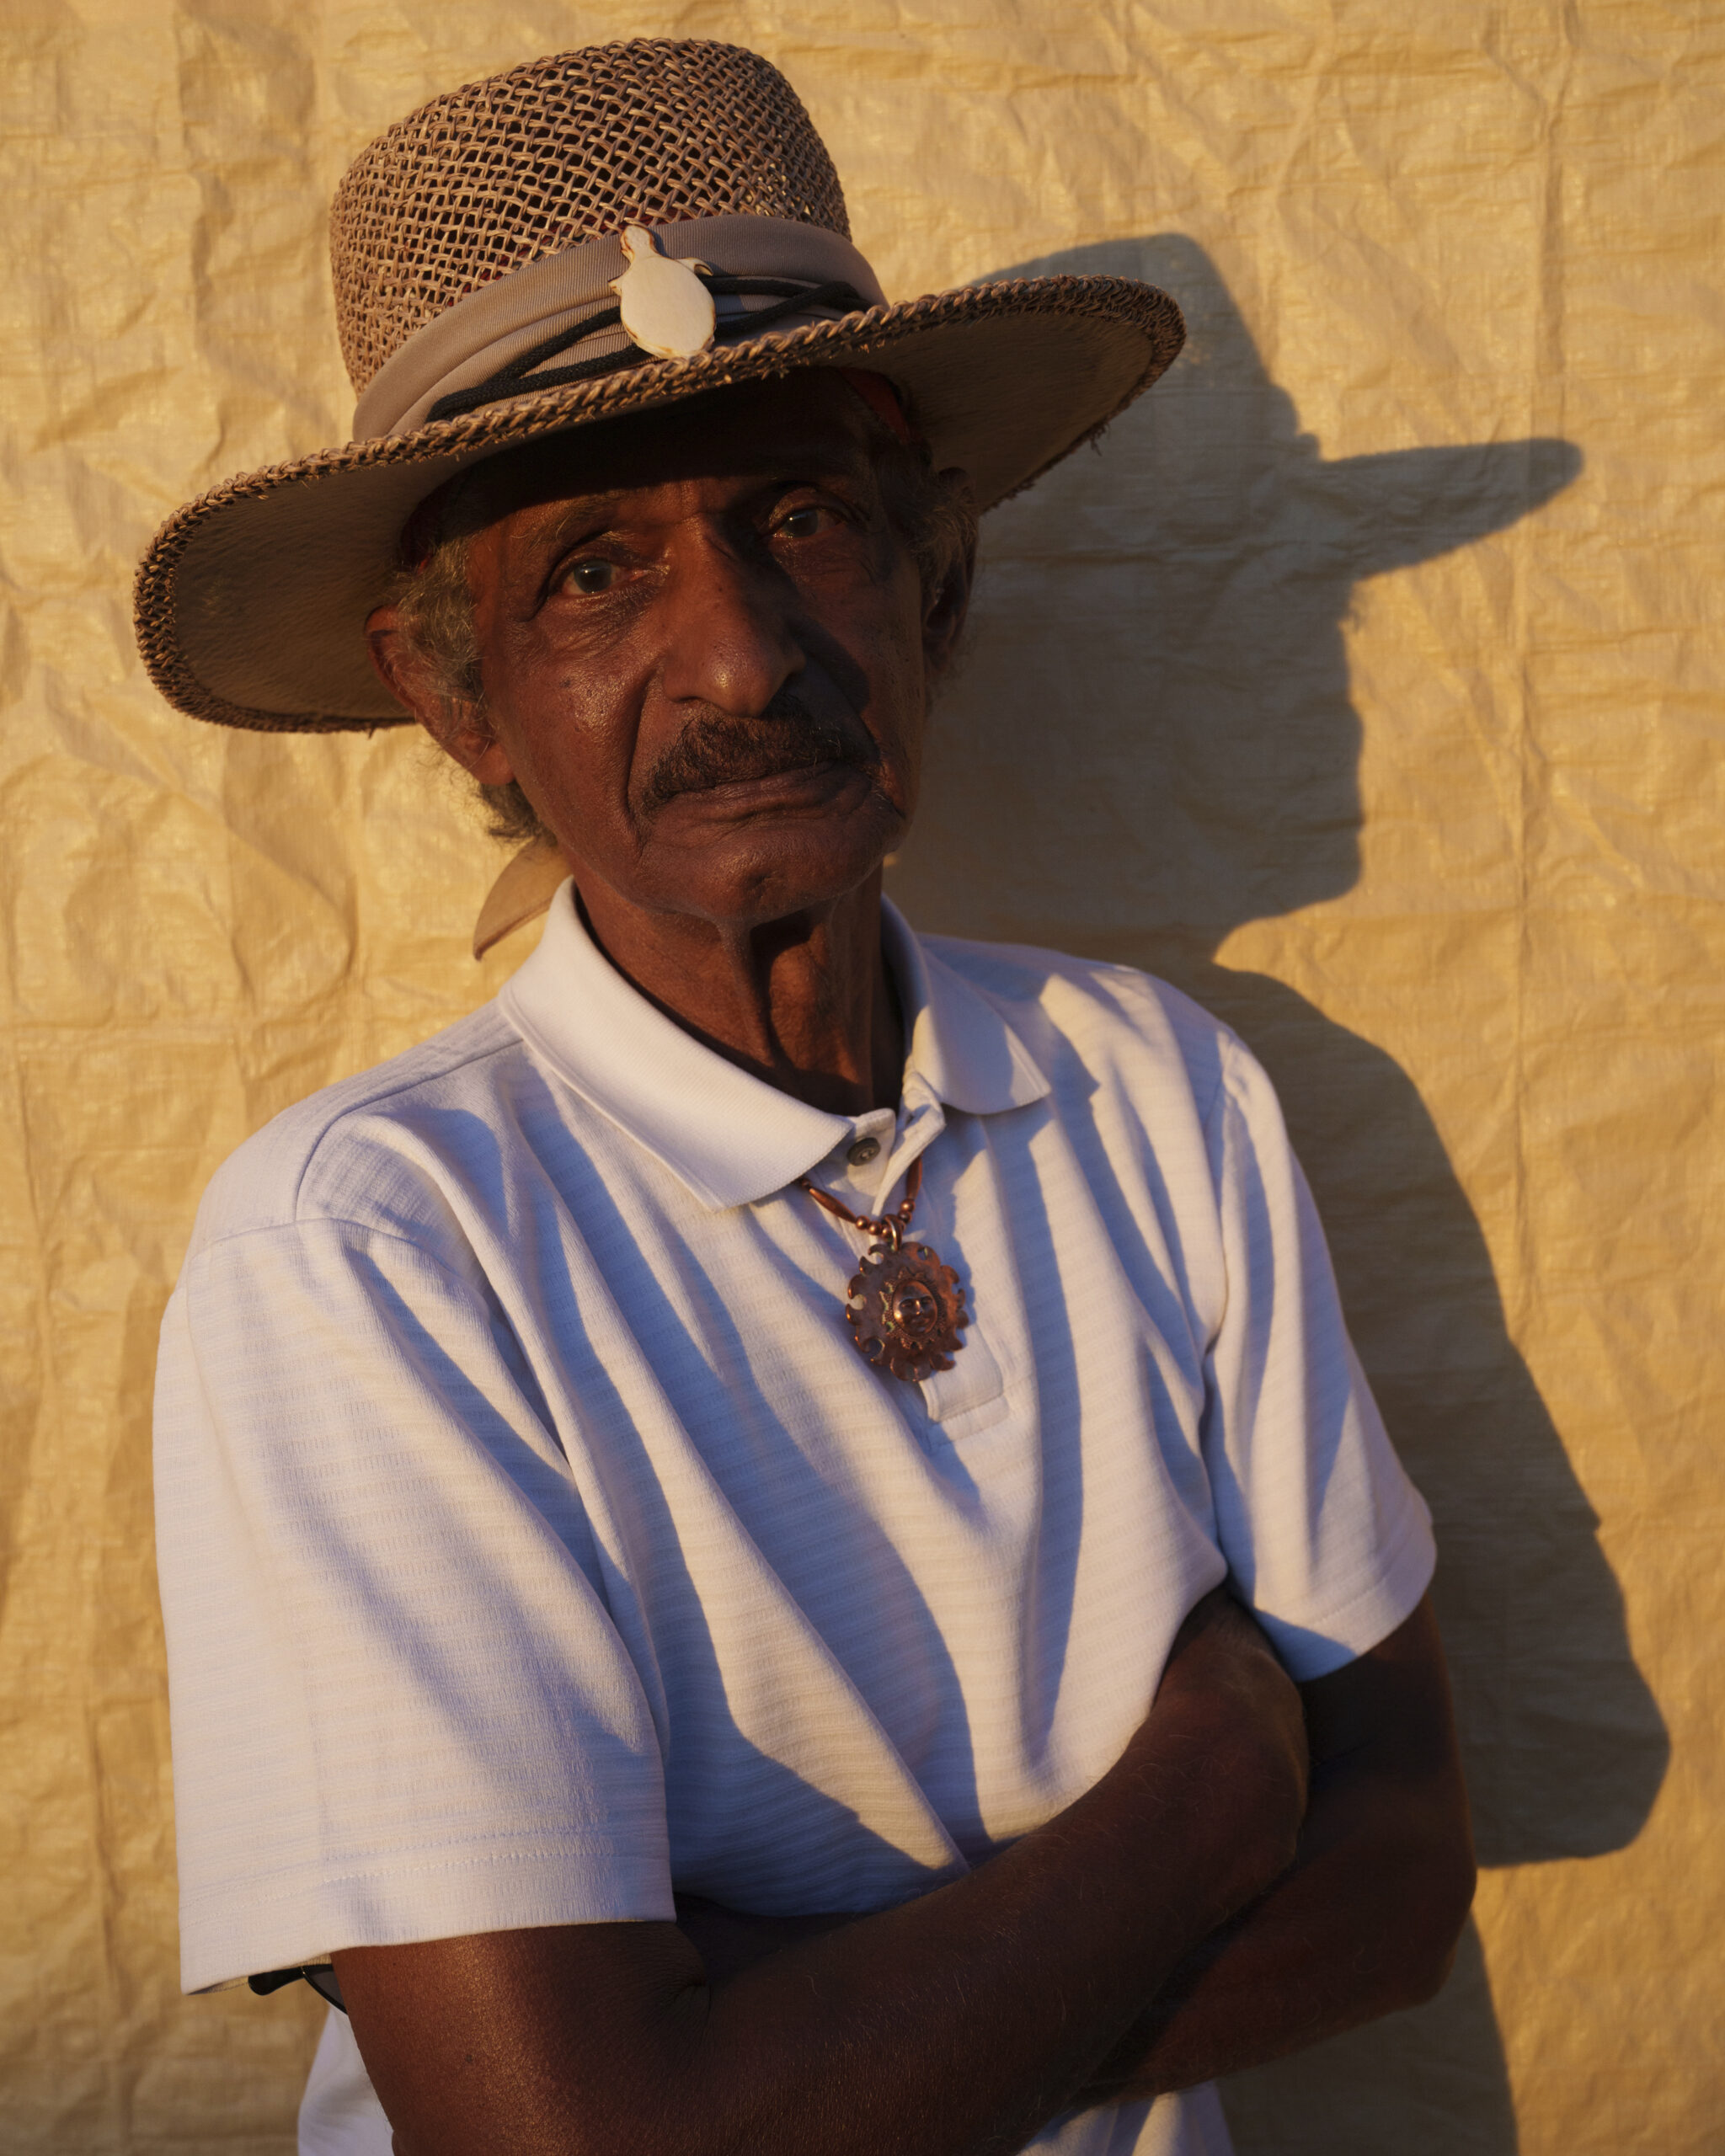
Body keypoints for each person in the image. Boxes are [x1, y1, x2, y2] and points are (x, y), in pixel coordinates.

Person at [139, 38, 1474, 2156]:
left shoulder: (1155, 1094)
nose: (749, 657)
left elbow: (1394, 1870)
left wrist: (760, 2055)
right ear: (453, 690)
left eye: (799, 520)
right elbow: (562, 2135)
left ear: (932, 583)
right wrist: (1210, 1785)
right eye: (591, 570)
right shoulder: (376, 1245)